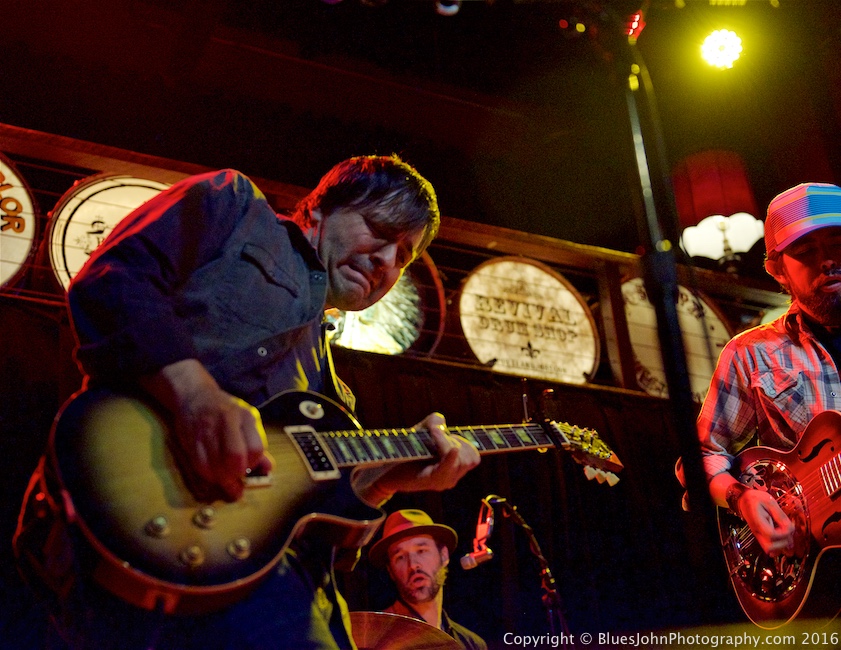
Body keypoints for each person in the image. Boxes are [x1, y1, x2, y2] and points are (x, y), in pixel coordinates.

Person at [14, 156, 480, 649]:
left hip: (273, 583)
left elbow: (326, 536)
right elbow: (114, 279)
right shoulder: (235, 206)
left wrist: (387, 481)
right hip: (137, 517)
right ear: (319, 210)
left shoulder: (336, 398)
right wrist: (195, 394)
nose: (387, 260)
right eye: (380, 230)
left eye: (404, 255)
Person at [694, 182, 841, 557]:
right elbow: (702, 456)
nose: (828, 260)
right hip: (815, 558)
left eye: (838, 244)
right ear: (779, 271)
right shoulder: (751, 353)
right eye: (806, 251)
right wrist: (740, 498)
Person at [367, 509, 487, 650]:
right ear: (390, 571)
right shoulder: (375, 637)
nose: (413, 565)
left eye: (421, 551)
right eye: (400, 557)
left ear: (444, 555)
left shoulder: (471, 644)